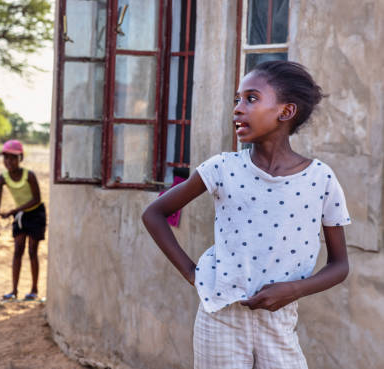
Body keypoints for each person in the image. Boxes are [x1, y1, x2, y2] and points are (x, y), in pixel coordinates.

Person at [142, 61, 350, 368]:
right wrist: (193, 274)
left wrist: (293, 290)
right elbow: (154, 214)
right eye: (237, 100)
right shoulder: (222, 168)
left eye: (251, 98)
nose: (238, 108)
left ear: (286, 112)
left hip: (279, 322)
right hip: (220, 319)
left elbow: (340, 265)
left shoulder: (321, 179)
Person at [0, 139, 46, 301]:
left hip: (35, 214)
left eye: (13, 158)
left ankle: (34, 290)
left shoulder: (29, 175)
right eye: (6, 158)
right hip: (20, 216)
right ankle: (14, 291)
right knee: (17, 251)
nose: (9, 162)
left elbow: (37, 199)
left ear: (20, 158)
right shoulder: (2, 178)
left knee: (32, 251)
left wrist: (14, 211)